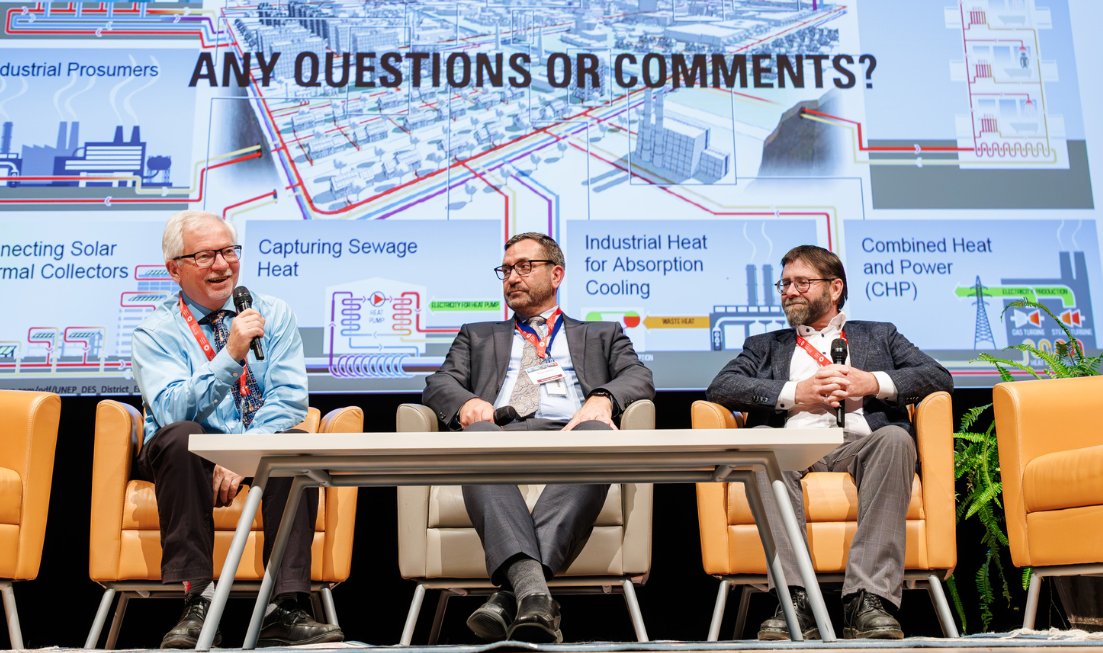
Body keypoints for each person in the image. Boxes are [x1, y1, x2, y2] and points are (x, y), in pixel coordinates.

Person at [706, 245, 952, 640]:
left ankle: (868, 601)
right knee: (766, 446)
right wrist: (793, 393)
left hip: (861, 445)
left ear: (835, 287)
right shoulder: (766, 345)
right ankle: (795, 600)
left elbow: (938, 377)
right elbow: (722, 387)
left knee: (894, 438)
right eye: (784, 284)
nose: (790, 291)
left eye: (802, 282)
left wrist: (873, 382)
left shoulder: (879, 334)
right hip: (795, 447)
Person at [423, 232, 655, 643]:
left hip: (572, 435)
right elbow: (440, 383)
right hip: (499, 434)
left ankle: (512, 594)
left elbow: (639, 376)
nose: (512, 277)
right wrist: (467, 404)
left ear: (556, 273)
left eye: (524, 267)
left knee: (598, 433)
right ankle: (535, 597)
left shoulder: (601, 333)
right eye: (507, 269)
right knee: (475, 435)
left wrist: (603, 398)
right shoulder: (477, 335)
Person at [130, 210, 343, 648]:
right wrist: (229, 355)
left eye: (229, 251)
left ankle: (284, 608)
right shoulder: (155, 330)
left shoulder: (273, 314)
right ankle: (197, 600)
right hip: (183, 457)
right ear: (175, 268)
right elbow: (171, 408)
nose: (223, 265)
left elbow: (289, 399)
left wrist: (244, 454)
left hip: (254, 447)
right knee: (181, 434)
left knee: (295, 446)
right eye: (206, 255)